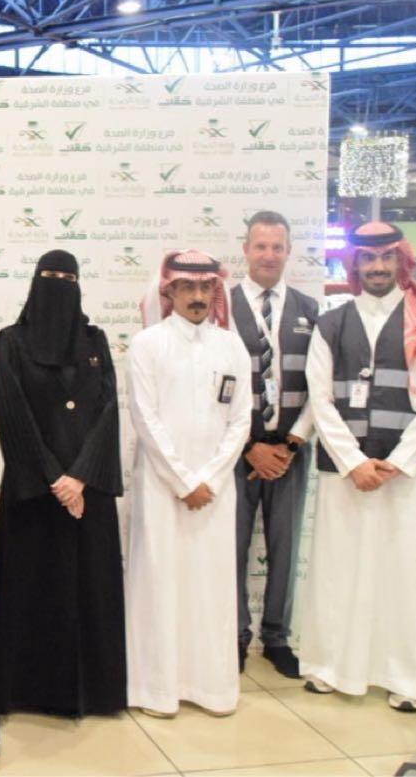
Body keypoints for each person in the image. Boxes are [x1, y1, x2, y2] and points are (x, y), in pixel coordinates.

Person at [300, 222, 416, 712]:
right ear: (355, 265)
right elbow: (320, 399)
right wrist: (353, 462)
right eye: (368, 259)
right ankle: (331, 667)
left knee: (404, 571)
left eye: (387, 257)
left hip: (408, 474)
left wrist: (396, 463)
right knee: (338, 568)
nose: (377, 267)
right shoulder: (331, 323)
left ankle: (404, 678)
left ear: (402, 261)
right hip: (344, 472)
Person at [0, 249, 127, 717]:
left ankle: (96, 693)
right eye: (50, 276)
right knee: (35, 592)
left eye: (67, 278)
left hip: (88, 493)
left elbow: (108, 409)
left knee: (91, 592)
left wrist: (81, 475)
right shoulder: (12, 342)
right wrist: (55, 478)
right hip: (36, 494)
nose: (59, 285)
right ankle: (29, 692)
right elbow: (13, 413)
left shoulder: (95, 340)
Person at [127, 249, 252, 718]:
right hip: (163, 490)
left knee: (211, 587)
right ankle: (157, 690)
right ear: (170, 291)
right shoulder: (148, 344)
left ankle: (212, 687)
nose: (197, 296)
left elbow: (240, 420)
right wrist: (182, 481)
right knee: (161, 584)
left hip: (215, 492)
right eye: (187, 287)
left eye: (205, 287)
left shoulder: (232, 346)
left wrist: (210, 479)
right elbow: (145, 417)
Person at [230, 211, 319, 678]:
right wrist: (249, 445)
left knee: (284, 548)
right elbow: (210, 386)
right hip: (236, 453)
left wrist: (293, 443)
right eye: (260, 246)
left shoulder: (311, 310)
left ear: (288, 252)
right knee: (232, 546)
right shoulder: (223, 308)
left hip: (290, 452)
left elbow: (321, 386)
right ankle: (235, 636)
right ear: (246, 249)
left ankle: (277, 637)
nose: (268, 255)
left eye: (277, 247)